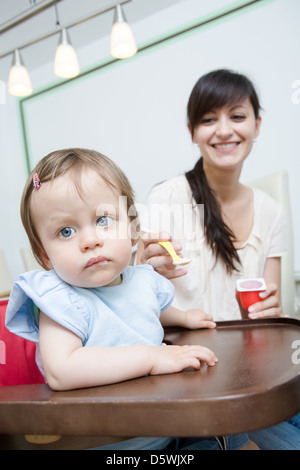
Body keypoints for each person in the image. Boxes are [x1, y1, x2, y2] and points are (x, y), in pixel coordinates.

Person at [5, 147, 227, 451]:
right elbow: (62, 370)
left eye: (103, 219)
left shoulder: (141, 280)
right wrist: (153, 357)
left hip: (169, 428)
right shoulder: (60, 301)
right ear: (44, 253)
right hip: (105, 442)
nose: (90, 240)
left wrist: (184, 318)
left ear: (132, 227)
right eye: (66, 231)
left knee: (229, 423)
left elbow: (144, 310)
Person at [137, 69, 300, 450]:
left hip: (255, 372)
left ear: (257, 125)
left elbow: (272, 311)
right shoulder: (167, 198)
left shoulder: (271, 211)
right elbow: (144, 308)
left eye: (237, 116)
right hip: (196, 378)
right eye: (209, 119)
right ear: (193, 131)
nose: (224, 130)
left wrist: (272, 308)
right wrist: (143, 271)